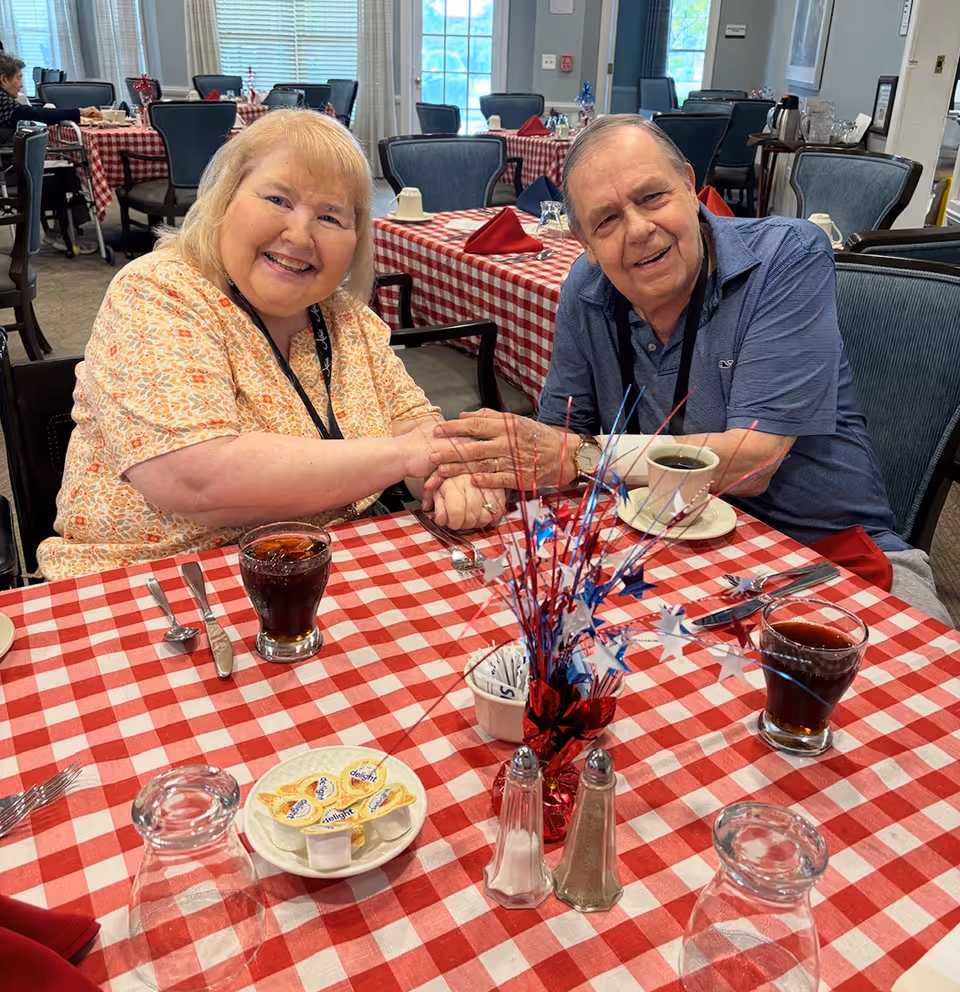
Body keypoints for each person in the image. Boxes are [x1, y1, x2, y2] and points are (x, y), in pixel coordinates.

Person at [427, 114, 952, 626]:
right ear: (584, 244)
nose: (638, 230)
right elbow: (558, 441)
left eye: (652, 197)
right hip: (660, 549)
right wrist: (490, 474)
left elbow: (754, 460)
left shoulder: (787, 257)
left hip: (822, 556)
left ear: (688, 184)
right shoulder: (585, 292)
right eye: (606, 221)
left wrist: (577, 455)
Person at [37, 110, 502, 580]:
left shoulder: (346, 318)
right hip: (148, 585)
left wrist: (451, 477)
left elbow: (415, 424)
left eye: (330, 216)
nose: (300, 235)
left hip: (319, 570)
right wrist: (407, 456)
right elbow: (194, 477)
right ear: (225, 198)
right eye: (278, 199)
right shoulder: (160, 291)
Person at [0, 53, 102, 146]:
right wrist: (80, 112)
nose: (21, 85)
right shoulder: (3, 101)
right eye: (18, 78)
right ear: (4, 79)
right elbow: (34, 115)